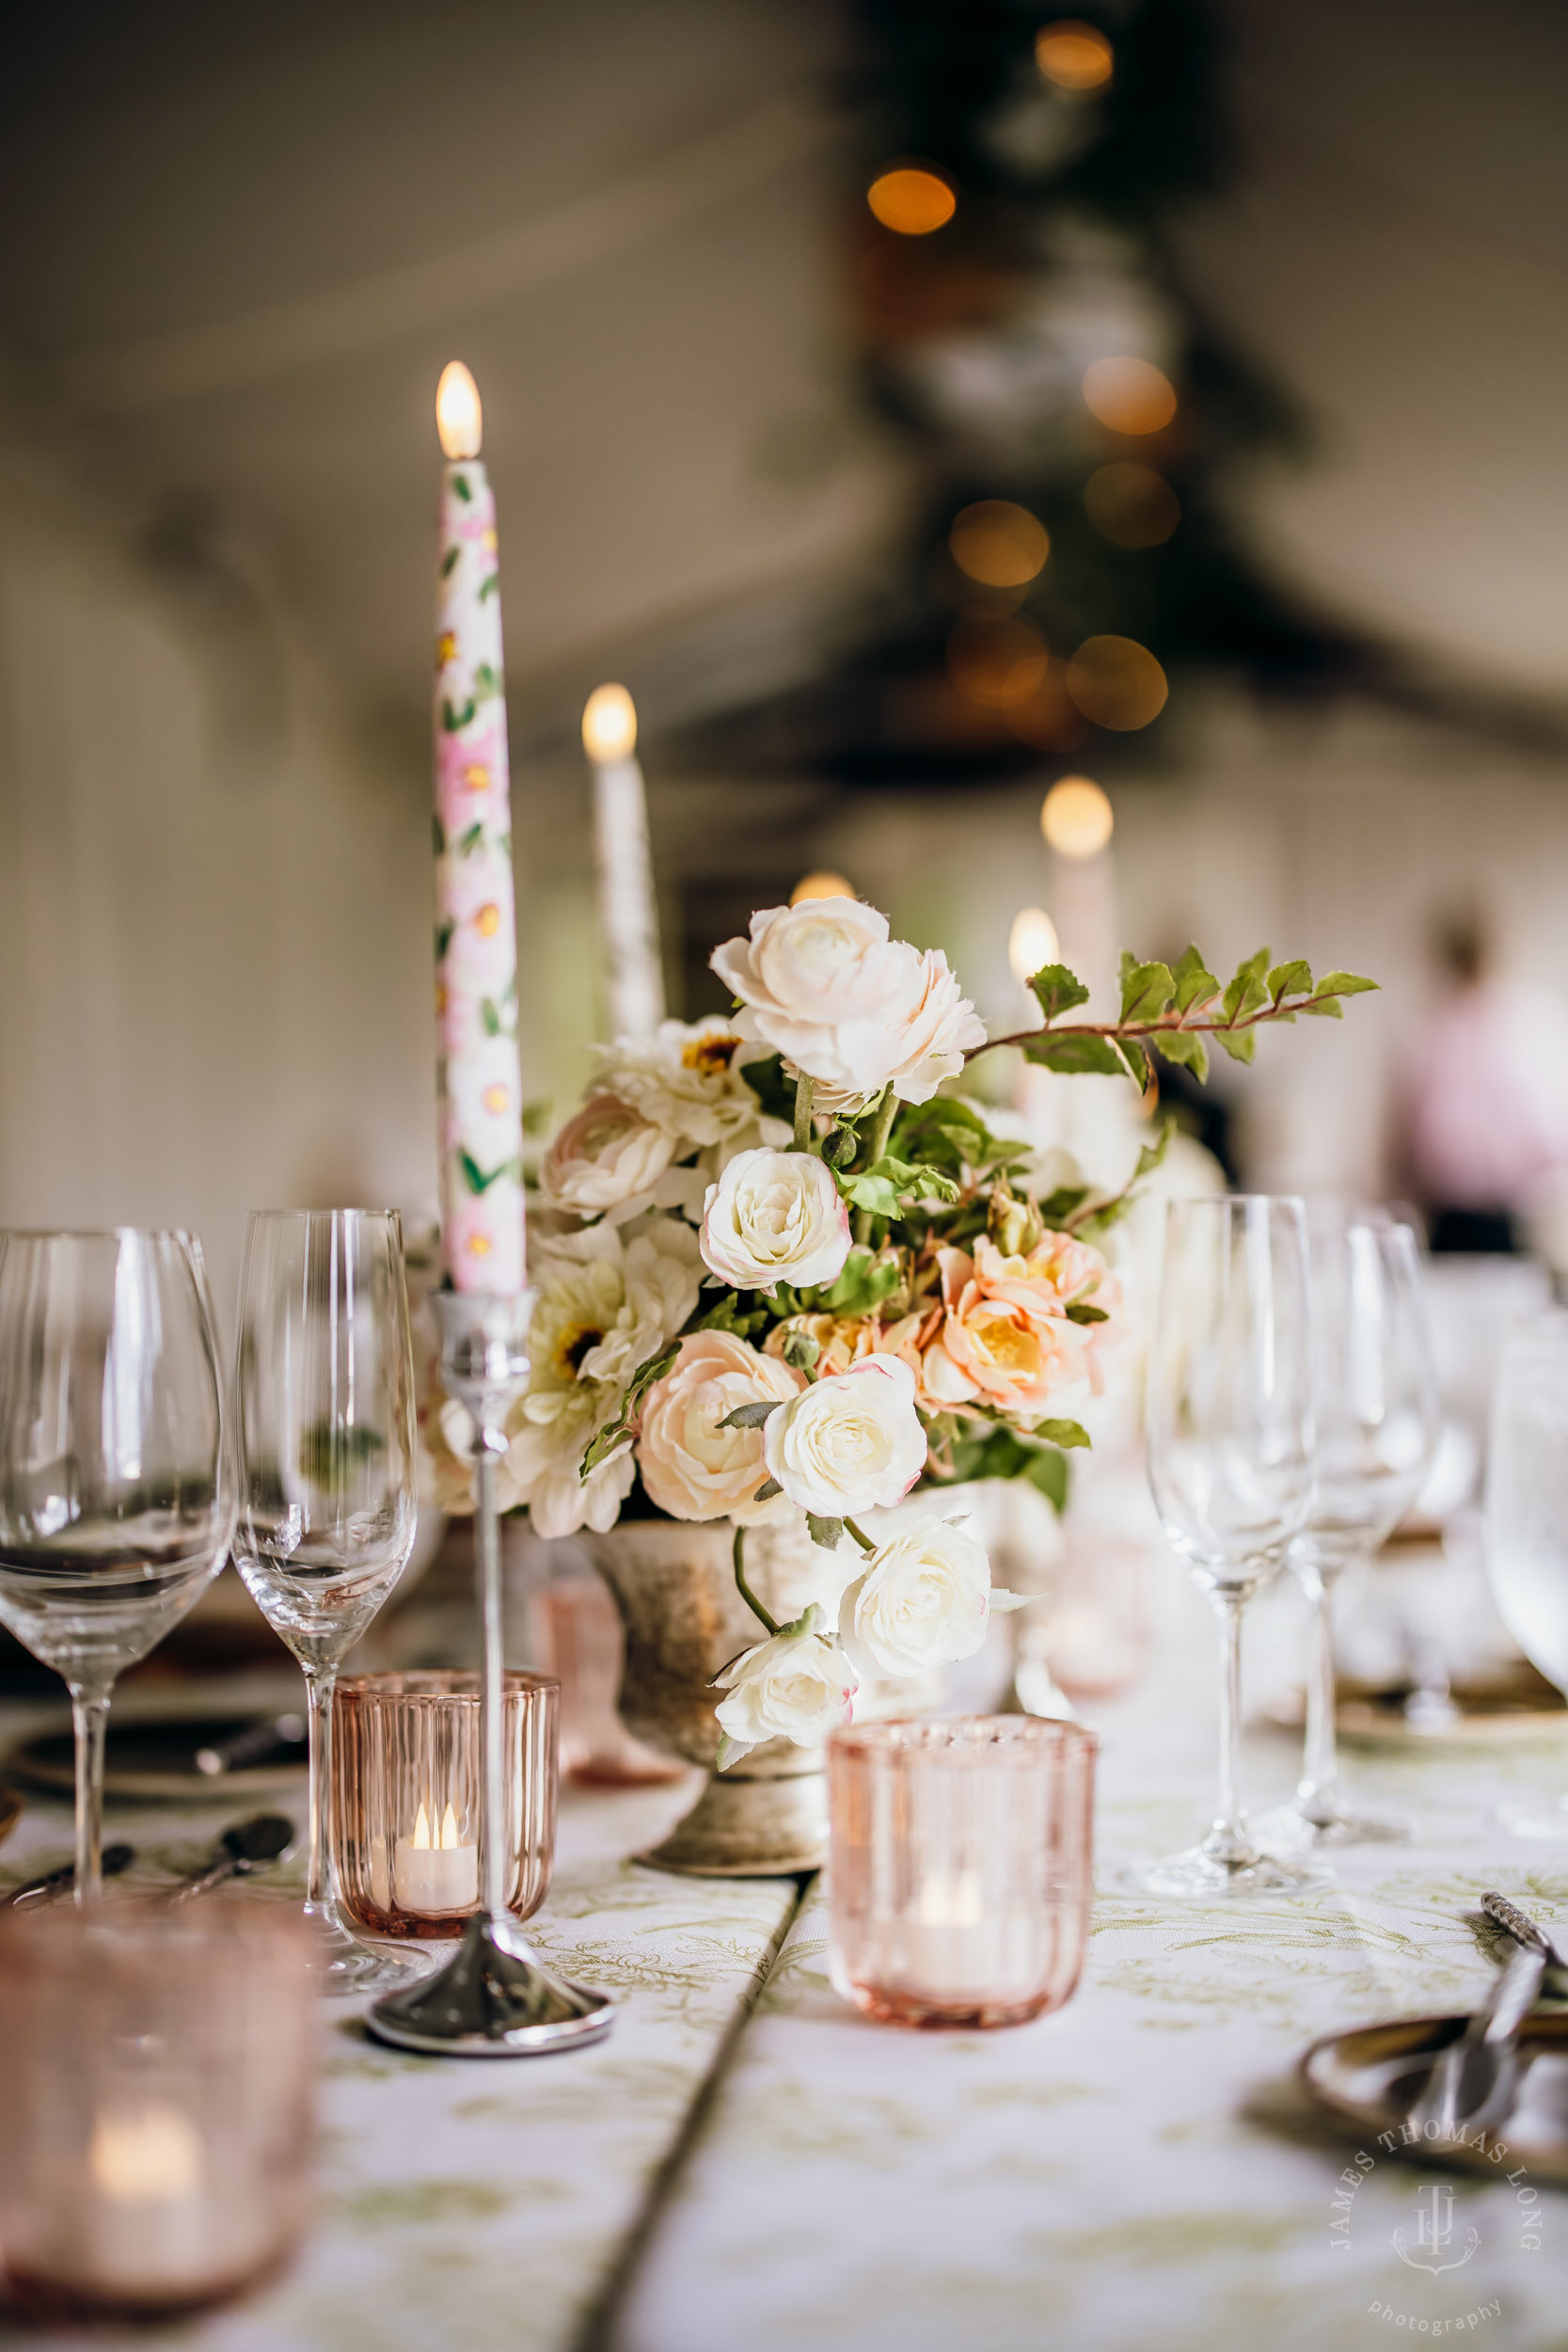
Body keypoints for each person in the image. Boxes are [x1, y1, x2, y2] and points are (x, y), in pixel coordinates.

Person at [1395, 912, 1568, 1253]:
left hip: (1512, 1217)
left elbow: (1551, 1132)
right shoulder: (1428, 1032)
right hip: (1446, 1215)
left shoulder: (1530, 1022)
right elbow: (1404, 1135)